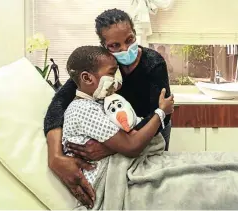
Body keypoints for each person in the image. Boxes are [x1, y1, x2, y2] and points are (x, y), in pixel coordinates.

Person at [44, 9, 172, 207]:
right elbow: (58, 105)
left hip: (148, 131)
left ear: (134, 32)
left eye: (130, 40)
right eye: (115, 45)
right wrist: (55, 157)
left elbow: (161, 112)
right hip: (119, 137)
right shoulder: (102, 65)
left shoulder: (153, 63)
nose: (125, 48)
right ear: (104, 46)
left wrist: (111, 147)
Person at [62, 45, 174, 190]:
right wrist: (161, 112)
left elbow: (132, 130)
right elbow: (131, 146)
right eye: (112, 73)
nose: (118, 80)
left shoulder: (102, 102)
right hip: (104, 181)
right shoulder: (82, 110)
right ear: (87, 78)